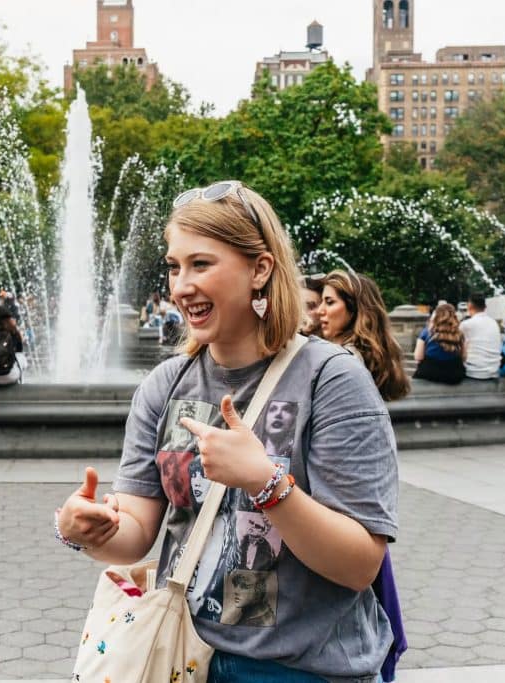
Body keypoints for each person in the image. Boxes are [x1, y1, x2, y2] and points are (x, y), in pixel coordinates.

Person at [56, 180, 398, 682]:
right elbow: (135, 534)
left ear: (260, 269)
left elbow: (359, 564)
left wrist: (266, 483)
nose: (180, 286)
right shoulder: (165, 385)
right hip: (186, 656)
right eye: (174, 267)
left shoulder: (331, 378)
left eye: (201, 264)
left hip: (304, 669)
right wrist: (82, 531)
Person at [318, 270, 410, 402]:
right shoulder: (377, 353)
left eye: (330, 302)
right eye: (321, 302)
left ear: (354, 308)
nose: (320, 310)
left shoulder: (344, 358)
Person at [413, 303, 466, 384]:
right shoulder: (459, 334)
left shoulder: (427, 332)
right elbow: (464, 357)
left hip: (430, 372)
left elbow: (418, 357)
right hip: (455, 374)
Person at [459, 293, 502, 380]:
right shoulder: (494, 323)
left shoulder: (466, 324)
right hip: (494, 371)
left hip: (473, 371)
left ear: (469, 305)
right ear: (485, 307)